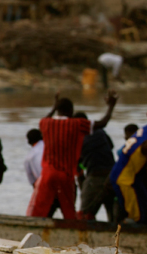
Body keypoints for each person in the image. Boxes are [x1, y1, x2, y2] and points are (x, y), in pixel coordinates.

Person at [29, 91, 117, 219]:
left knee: (39, 211)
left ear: (57, 110)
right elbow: (103, 123)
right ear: (71, 110)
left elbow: (44, 119)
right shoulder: (78, 125)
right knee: (70, 211)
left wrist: (54, 106)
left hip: (48, 174)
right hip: (70, 175)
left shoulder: (45, 123)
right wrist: (111, 106)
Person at [78, 110, 119, 221]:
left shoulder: (78, 137)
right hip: (112, 176)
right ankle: (116, 236)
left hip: (94, 177)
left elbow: (77, 165)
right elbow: (110, 146)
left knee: (84, 216)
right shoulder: (101, 131)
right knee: (114, 217)